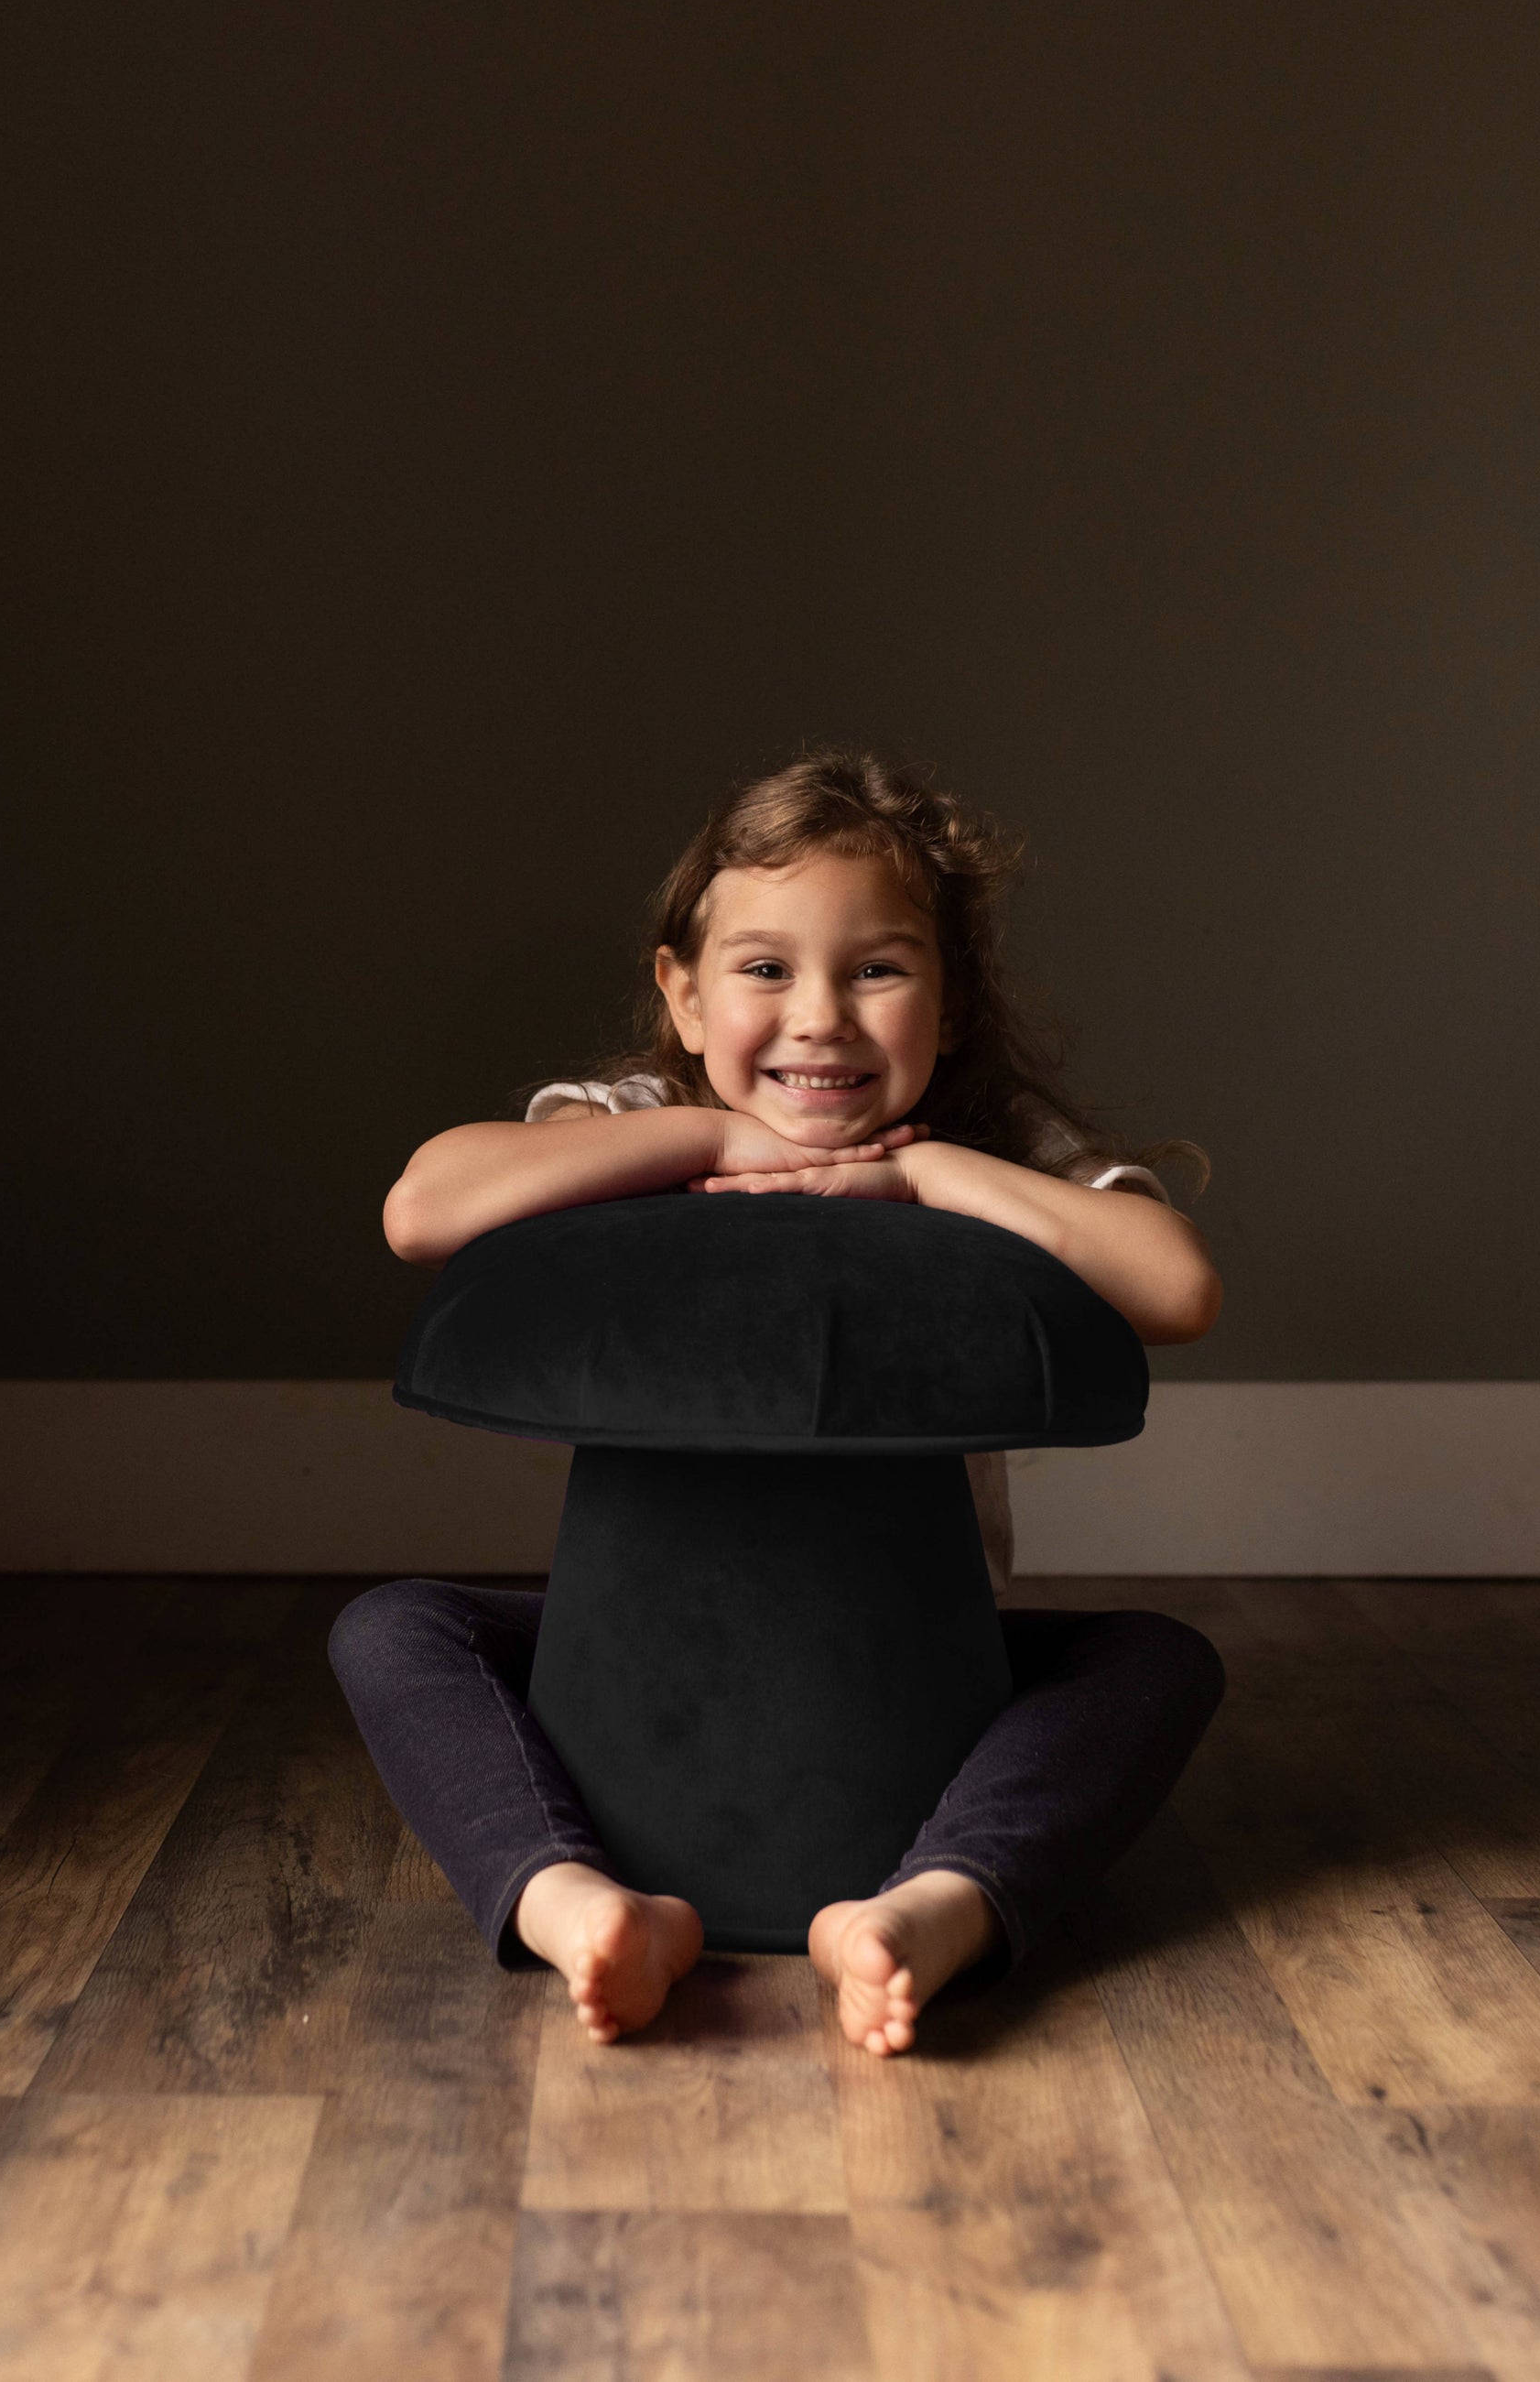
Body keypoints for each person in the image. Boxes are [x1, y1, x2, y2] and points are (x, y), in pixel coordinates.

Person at [332, 748, 1226, 2056]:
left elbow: (1177, 1285)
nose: (821, 1017)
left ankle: (935, 1904)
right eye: (764, 969)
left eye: (877, 968)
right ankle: (571, 1900)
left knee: (1158, 1662)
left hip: (917, 1659)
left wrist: (927, 1179)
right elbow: (423, 1210)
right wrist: (707, 1139)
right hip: (632, 1655)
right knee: (395, 1628)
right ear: (682, 998)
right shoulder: (647, 1114)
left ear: (952, 1000)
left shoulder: (987, 1146)